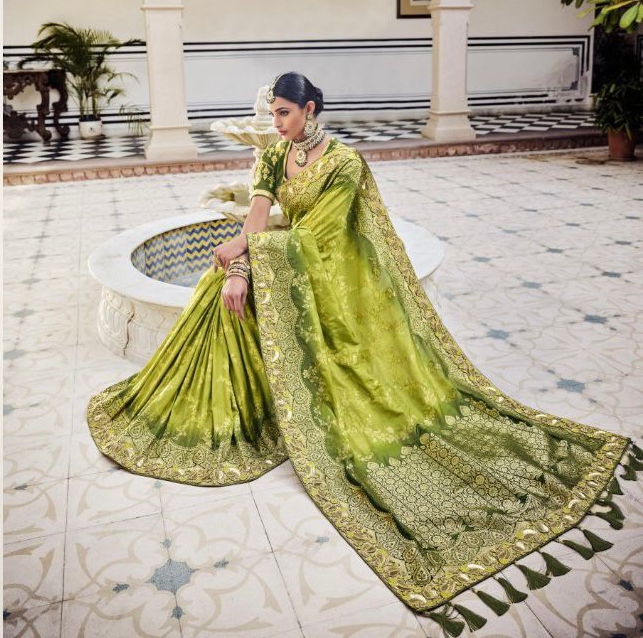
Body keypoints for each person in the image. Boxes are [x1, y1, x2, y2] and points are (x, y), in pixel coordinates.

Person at [87, 72, 639, 630]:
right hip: (295, 257)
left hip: (339, 271)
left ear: (309, 109)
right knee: (219, 284)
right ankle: (237, 413)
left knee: (262, 297)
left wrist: (248, 253)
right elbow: (257, 215)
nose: (276, 123)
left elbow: (321, 240)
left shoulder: (344, 163)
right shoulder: (275, 154)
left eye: (284, 113)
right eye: (272, 113)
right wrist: (239, 263)